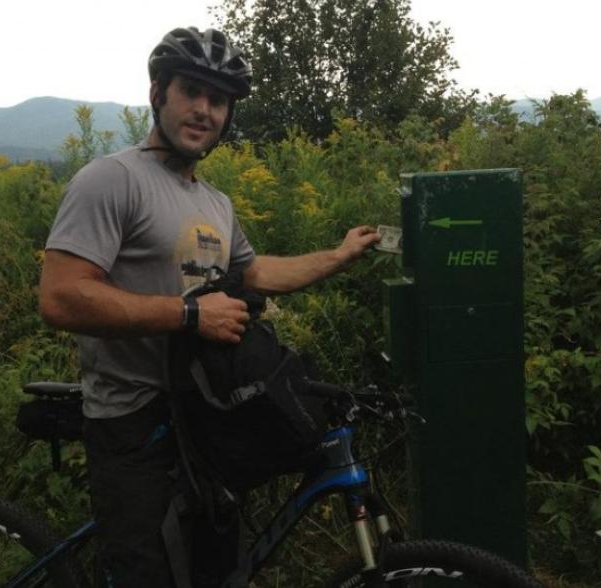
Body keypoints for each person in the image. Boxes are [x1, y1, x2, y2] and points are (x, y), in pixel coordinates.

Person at [38, 26, 380, 587]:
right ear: (158, 94)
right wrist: (192, 314)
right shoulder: (111, 179)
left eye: (217, 100)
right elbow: (61, 295)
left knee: (216, 571)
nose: (204, 110)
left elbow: (256, 273)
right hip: (131, 425)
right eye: (190, 91)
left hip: (202, 420)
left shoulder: (213, 203)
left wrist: (339, 255)